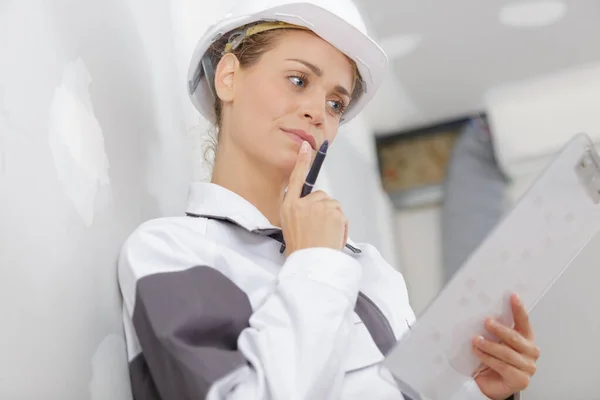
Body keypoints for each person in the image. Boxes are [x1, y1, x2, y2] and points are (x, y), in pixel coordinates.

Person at [117, 1, 540, 399]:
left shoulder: (368, 267)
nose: (319, 112)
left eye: (335, 103)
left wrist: (476, 391)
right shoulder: (171, 252)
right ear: (228, 76)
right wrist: (314, 264)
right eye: (298, 80)